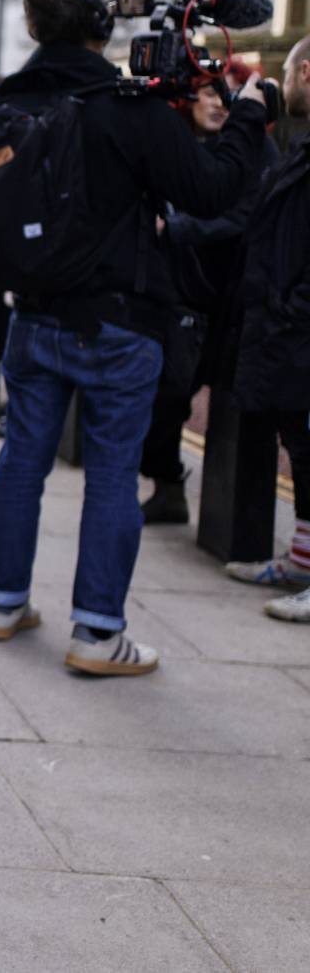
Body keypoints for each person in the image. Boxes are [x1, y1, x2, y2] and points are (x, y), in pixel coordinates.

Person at [0, 0, 269, 676]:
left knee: (22, 460)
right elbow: (211, 187)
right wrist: (251, 110)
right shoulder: (124, 104)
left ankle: (3, 603)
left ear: (32, 25)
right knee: (111, 473)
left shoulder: (7, 100)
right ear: (101, 27)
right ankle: (98, 631)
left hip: (31, 315)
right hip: (118, 320)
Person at [136, 82, 275, 523]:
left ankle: (229, 517)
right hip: (183, 296)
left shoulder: (258, 148)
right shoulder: (176, 143)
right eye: (209, 95)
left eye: (227, 97)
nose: (218, 104)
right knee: (163, 398)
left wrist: (176, 230)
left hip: (234, 298)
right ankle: (168, 485)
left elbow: (245, 217)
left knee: (221, 400)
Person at [221, 32, 310, 621]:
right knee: (300, 445)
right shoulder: (301, 147)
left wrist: (291, 309)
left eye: (294, 72)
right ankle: (303, 559)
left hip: (299, 323)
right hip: (288, 327)